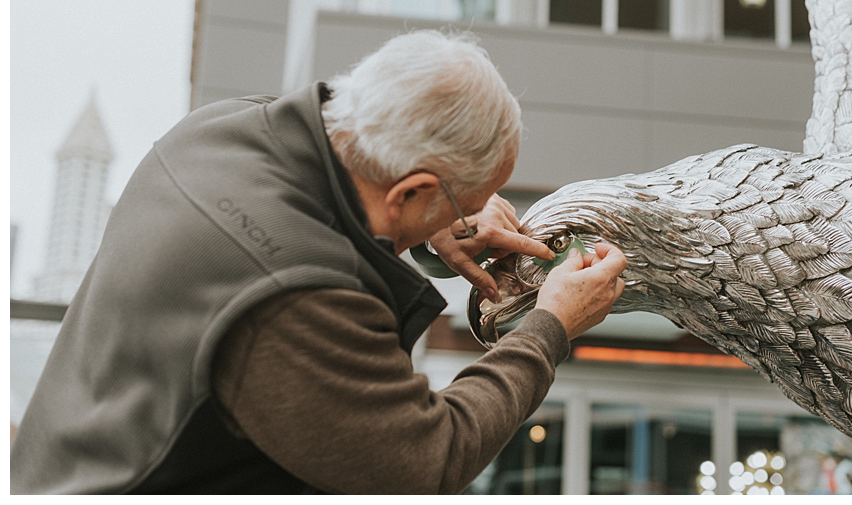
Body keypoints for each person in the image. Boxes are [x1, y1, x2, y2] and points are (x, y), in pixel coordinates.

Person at [11, 30, 627, 494]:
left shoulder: (213, 130)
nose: (471, 221)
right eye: (464, 203)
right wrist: (549, 328)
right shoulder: (300, 299)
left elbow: (315, 206)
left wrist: (429, 228)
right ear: (408, 191)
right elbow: (427, 459)